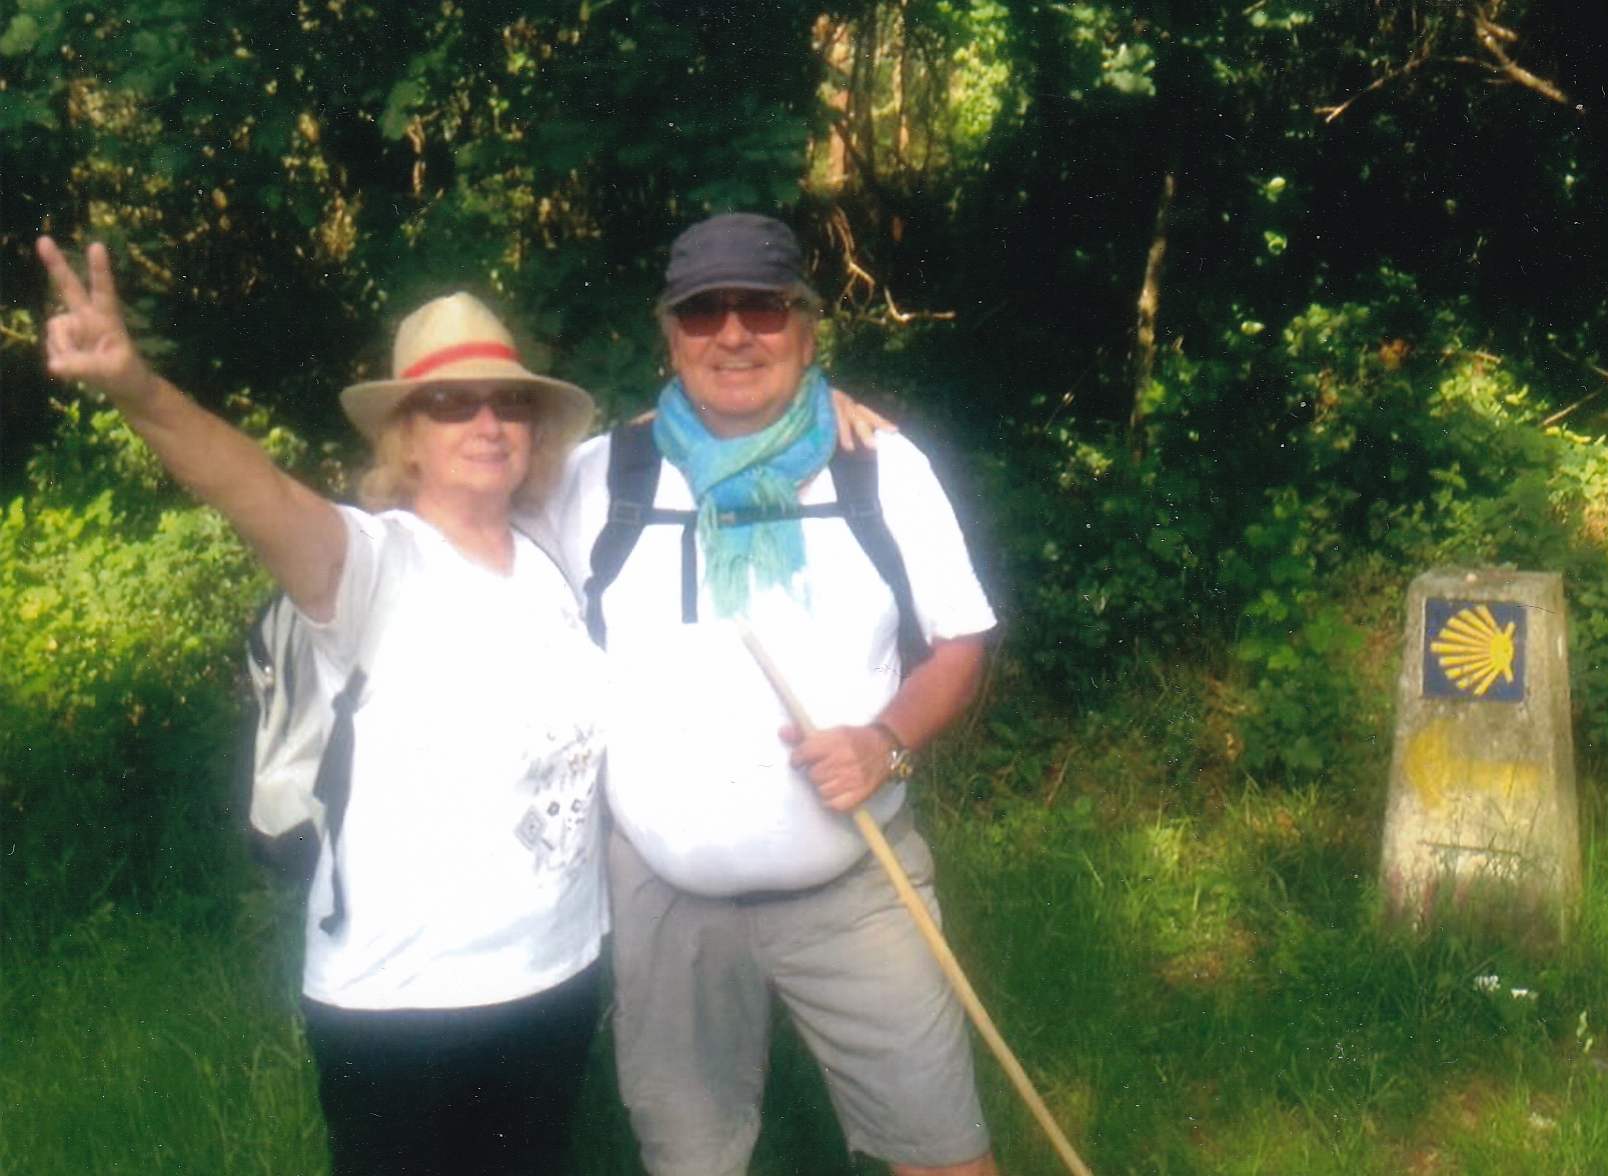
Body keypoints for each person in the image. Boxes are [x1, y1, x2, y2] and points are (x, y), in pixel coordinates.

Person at [36, 238, 612, 1176]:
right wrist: (138, 389)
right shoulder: (373, 565)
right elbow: (251, 489)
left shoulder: (551, 554)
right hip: (403, 1006)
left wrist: (812, 412)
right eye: (450, 402)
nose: (487, 421)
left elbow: (687, 431)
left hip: (555, 975)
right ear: (405, 437)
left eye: (509, 401)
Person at [529, 213, 1001, 1176]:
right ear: (670, 337)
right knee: (690, 1164)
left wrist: (885, 742)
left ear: (808, 331)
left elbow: (962, 642)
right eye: (704, 312)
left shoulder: (879, 466)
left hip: (855, 884)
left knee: (944, 1157)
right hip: (665, 902)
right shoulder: (600, 479)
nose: (734, 334)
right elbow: (471, 540)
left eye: (764, 309)